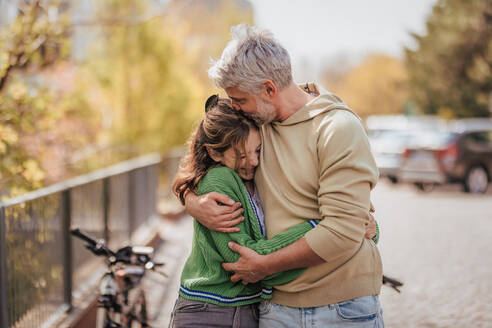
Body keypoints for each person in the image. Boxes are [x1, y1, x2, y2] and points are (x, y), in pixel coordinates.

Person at [184, 24, 384, 327]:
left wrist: (263, 265)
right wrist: (191, 201)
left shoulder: (337, 129)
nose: (235, 108)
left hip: (342, 308)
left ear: (268, 89)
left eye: (239, 99)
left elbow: (343, 232)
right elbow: (201, 154)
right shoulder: (253, 125)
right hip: (275, 309)